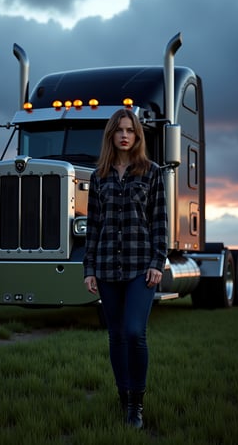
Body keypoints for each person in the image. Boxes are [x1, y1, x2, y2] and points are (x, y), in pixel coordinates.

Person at [83, 108, 168, 429]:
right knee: (116, 336)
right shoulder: (99, 176)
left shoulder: (151, 172)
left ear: (137, 135)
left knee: (135, 332)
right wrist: (88, 268)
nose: (124, 135)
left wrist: (157, 262)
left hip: (140, 266)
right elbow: (93, 226)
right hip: (105, 266)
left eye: (130, 130)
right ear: (111, 135)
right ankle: (123, 397)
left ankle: (137, 404)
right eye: (119, 130)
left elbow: (159, 222)